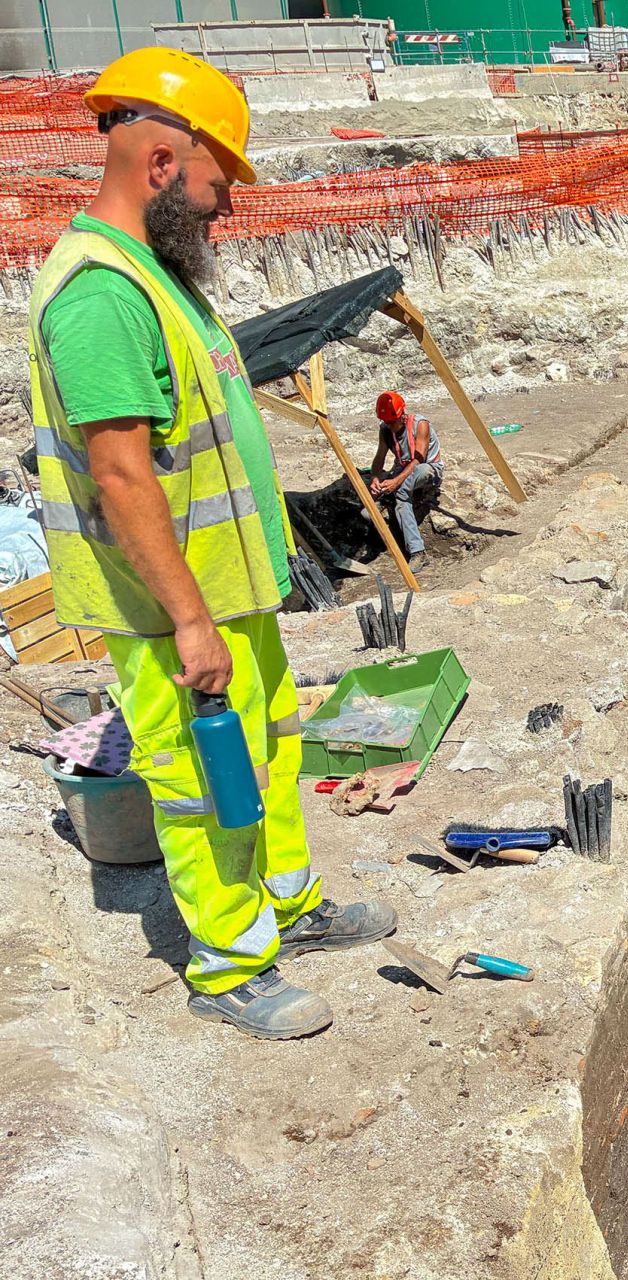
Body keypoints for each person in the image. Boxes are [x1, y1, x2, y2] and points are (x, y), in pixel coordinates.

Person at [27, 47, 394, 1039]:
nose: (226, 204)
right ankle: (229, 962)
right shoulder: (102, 294)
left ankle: (287, 905)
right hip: (172, 612)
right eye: (217, 179)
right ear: (158, 162)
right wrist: (189, 618)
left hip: (228, 596)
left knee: (268, 755)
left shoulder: (158, 273)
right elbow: (122, 475)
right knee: (204, 786)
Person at [367, 390, 442, 568]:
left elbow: (419, 458)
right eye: (387, 422)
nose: (391, 426)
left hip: (427, 468)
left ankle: (417, 551)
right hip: (402, 468)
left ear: (402, 415)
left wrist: (397, 481)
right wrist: (375, 477)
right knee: (367, 508)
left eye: (393, 422)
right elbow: (380, 456)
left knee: (402, 490)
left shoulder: (420, 424)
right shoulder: (385, 429)